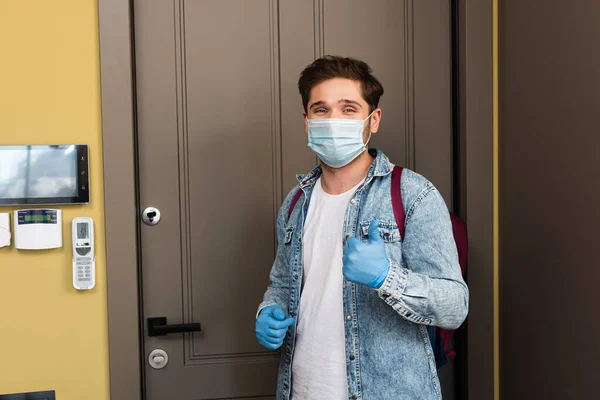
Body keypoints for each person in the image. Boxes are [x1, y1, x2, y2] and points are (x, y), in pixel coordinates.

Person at [255, 55, 469, 400]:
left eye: (349, 108)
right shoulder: (295, 202)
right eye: (321, 110)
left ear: (374, 119)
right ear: (307, 120)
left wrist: (387, 278)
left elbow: (455, 306)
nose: (333, 119)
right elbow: (282, 282)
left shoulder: (414, 195)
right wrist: (270, 309)